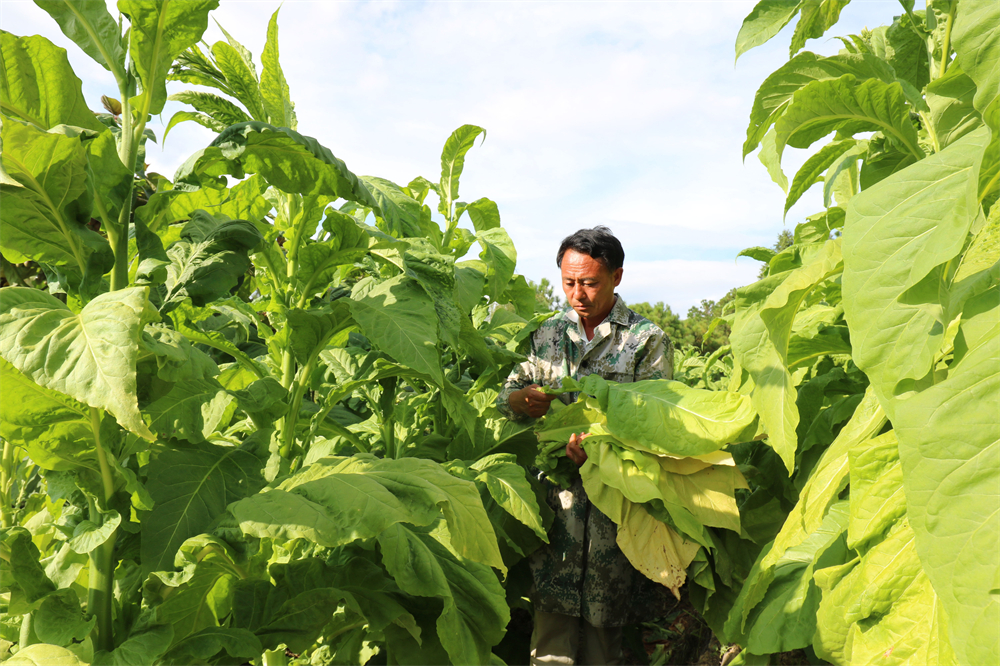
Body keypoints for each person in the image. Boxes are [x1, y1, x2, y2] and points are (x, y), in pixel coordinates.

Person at [497, 226, 674, 665]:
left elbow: (658, 423)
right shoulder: (546, 336)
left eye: (590, 282)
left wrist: (598, 444)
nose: (578, 293)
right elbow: (508, 396)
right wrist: (522, 400)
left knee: (602, 636)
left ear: (616, 277)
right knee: (550, 634)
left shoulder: (646, 340)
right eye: (569, 282)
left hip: (614, 510)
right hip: (555, 509)